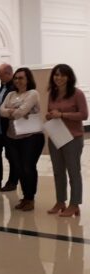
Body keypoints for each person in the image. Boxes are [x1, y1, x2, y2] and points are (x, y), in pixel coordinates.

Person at [45, 64, 88, 217]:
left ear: (69, 77)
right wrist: (50, 115)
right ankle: (60, 201)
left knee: (73, 172)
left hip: (73, 138)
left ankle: (74, 204)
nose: (59, 78)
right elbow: (50, 112)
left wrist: (63, 115)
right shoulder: (52, 93)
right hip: (56, 136)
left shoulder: (77, 94)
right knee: (58, 172)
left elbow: (84, 115)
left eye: (62, 75)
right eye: (56, 74)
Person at [0, 67, 43, 211]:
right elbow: (0, 111)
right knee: (19, 168)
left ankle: (30, 198)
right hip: (12, 136)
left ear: (28, 79)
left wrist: (12, 111)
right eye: (16, 78)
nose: (18, 80)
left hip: (31, 137)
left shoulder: (33, 93)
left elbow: (21, 112)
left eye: (21, 78)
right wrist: (15, 111)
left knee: (28, 167)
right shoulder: (11, 94)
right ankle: (25, 197)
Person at [0, 63, 18, 191]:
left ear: (9, 74)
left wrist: (4, 111)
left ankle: (12, 181)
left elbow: (10, 108)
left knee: (11, 155)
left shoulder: (15, 88)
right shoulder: (2, 87)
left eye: (0, 75)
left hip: (9, 126)